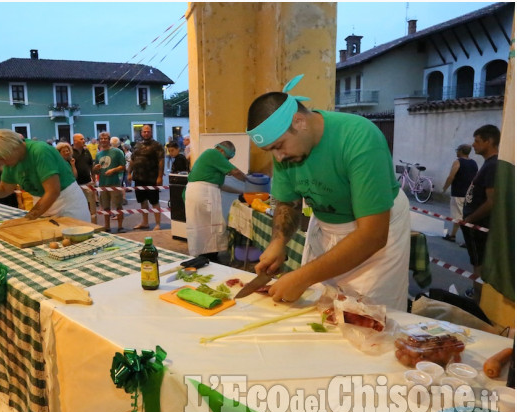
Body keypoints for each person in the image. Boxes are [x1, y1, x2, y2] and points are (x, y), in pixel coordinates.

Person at [246, 74, 410, 310]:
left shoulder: (359, 137)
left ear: (299, 122)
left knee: (368, 317)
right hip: (327, 227)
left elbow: (373, 235)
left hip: (376, 237)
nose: (278, 158)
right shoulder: (286, 152)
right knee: (323, 310)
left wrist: (302, 276)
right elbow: (288, 204)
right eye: (270, 150)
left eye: (279, 146)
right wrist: (278, 242)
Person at [0, 129, 90, 222]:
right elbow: (4, 189)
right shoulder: (11, 162)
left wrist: (28, 219)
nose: (3, 163)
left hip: (67, 204)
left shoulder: (40, 151)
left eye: (4, 158)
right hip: (43, 205)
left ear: (14, 148)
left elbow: (53, 191)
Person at [185, 140, 247, 262]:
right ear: (222, 150)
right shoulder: (213, 153)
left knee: (204, 226)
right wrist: (250, 181)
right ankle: (208, 257)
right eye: (227, 158)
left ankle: (207, 256)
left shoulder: (212, 162)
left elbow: (220, 185)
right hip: (203, 194)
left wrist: (241, 192)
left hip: (200, 193)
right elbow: (236, 172)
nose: (227, 161)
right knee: (209, 227)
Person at [461, 124, 500, 300]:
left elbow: (492, 201)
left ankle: (478, 299)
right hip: (474, 224)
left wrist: (469, 219)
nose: (473, 144)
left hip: (478, 225)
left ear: (489, 141)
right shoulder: (487, 164)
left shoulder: (492, 166)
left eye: (477, 141)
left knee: (479, 264)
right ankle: (478, 295)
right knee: (477, 262)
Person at [127, 124, 165, 230]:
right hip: (138, 178)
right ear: (141, 133)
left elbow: (161, 161)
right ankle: (145, 222)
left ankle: (158, 224)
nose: (146, 133)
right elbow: (132, 160)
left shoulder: (157, 145)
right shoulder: (137, 145)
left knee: (154, 201)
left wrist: (160, 177)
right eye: (144, 131)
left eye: (148, 131)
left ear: (151, 132)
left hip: (152, 178)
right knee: (142, 201)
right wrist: (129, 173)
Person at [442, 144, 478, 242]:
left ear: (461, 151)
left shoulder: (458, 162)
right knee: (465, 217)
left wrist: (445, 188)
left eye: (457, 150)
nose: (456, 152)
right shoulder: (474, 163)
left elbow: (451, 177)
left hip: (458, 193)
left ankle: (466, 239)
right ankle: (453, 235)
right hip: (469, 195)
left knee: (458, 217)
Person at [94, 132, 126, 233]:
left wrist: (113, 170)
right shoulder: (98, 154)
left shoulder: (117, 152)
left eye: (105, 138)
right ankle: (107, 227)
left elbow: (123, 167)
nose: (103, 140)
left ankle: (120, 226)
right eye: (101, 138)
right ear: (99, 141)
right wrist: (95, 168)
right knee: (105, 206)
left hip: (114, 183)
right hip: (103, 184)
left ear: (109, 139)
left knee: (118, 205)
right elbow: (96, 170)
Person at [72, 133, 98, 222]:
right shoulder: (70, 152)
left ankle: (90, 223)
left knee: (89, 205)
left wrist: (93, 179)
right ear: (75, 141)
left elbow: (91, 166)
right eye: (81, 139)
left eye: (84, 139)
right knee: (77, 206)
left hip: (87, 183)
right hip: (75, 184)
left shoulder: (87, 151)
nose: (84, 141)